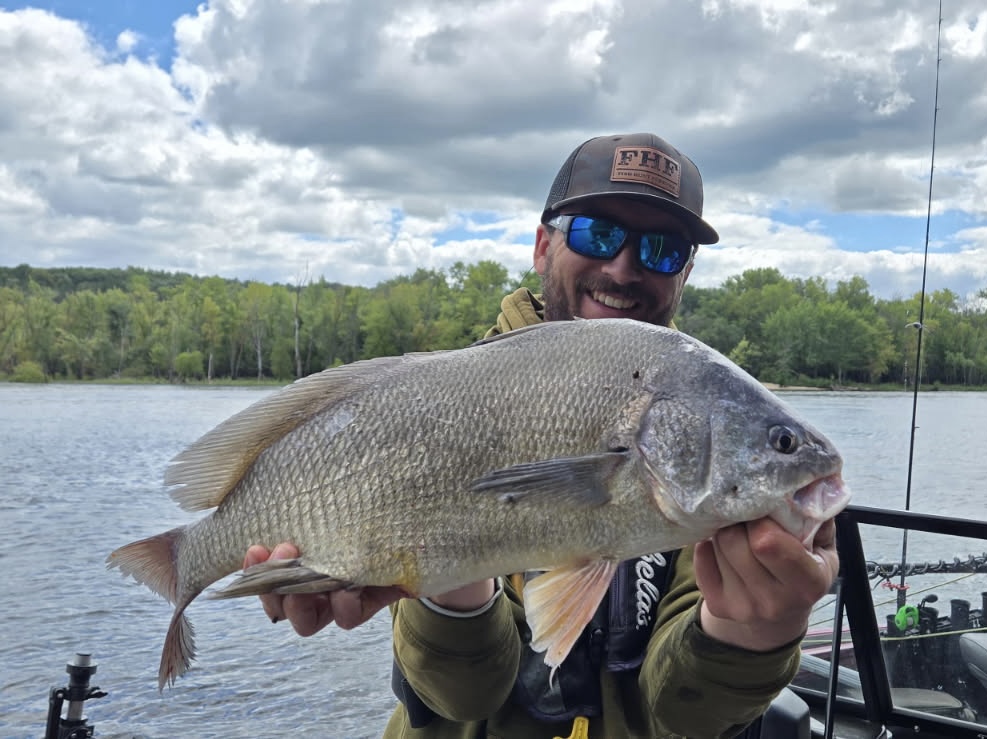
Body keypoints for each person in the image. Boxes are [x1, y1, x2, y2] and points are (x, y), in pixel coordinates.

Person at [244, 133, 839, 738]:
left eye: (662, 249)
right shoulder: (447, 401)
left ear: (684, 273)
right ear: (542, 245)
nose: (623, 266)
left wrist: (754, 632)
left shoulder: (707, 431)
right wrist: (450, 581)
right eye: (597, 234)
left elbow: (688, 715)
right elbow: (461, 697)